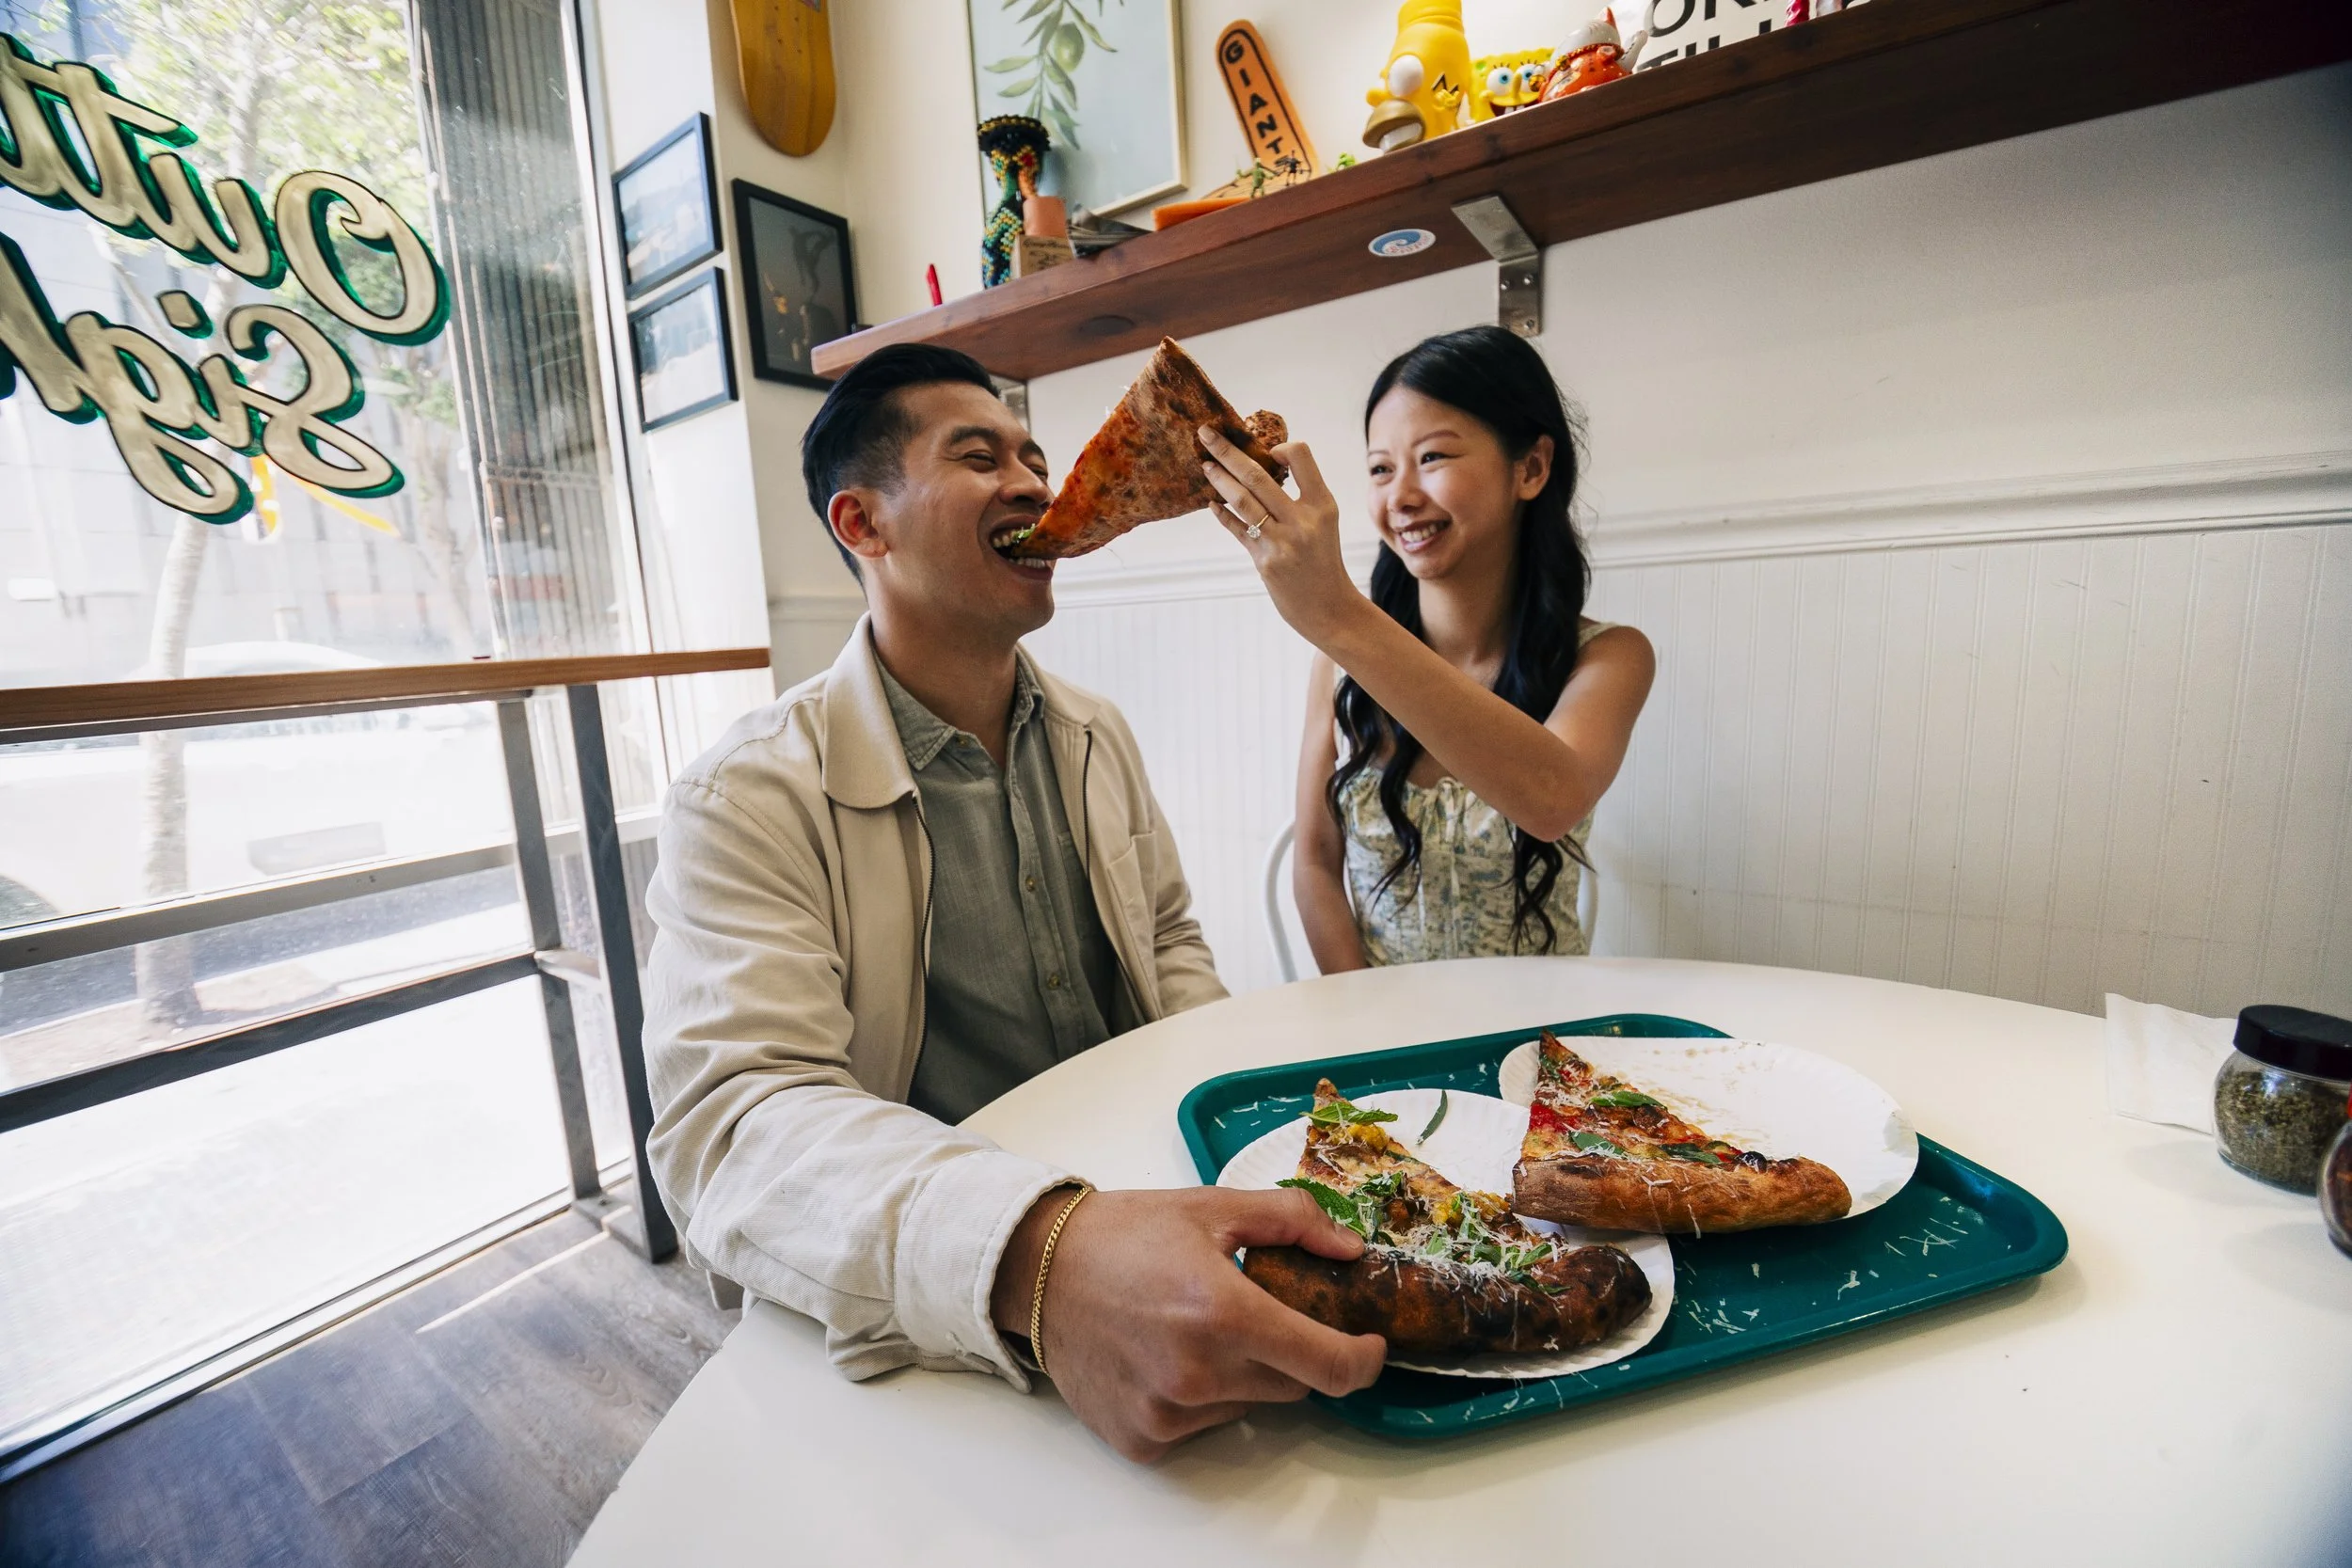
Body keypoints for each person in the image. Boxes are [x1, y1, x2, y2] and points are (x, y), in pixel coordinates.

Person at [641, 344, 1386, 1464]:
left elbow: (1170, 938)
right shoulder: (744, 793)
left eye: (1037, 457)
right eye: (978, 456)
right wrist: (1040, 1255)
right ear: (862, 524)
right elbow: (732, 1123)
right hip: (936, 1304)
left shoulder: (1095, 731)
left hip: (1156, 1218)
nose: (1035, 483)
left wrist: (1228, 1137)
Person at [1198, 325, 1654, 974]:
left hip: (1543, 1040)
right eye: (1381, 468)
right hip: (1386, 1043)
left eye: (1433, 458)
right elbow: (1315, 863)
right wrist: (1365, 1019)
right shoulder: (1338, 664)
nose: (1401, 496)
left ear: (1531, 468)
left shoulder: (1609, 657)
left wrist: (1336, 612)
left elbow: (1552, 800)